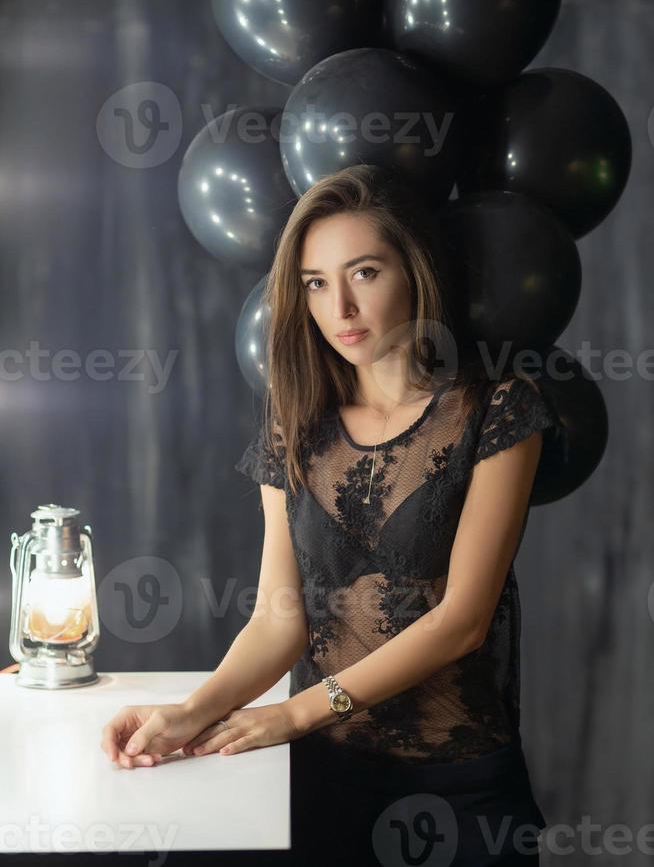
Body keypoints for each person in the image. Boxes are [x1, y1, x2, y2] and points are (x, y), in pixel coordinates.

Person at [101, 164, 565, 867]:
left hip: (461, 788)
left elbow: (462, 620)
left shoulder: (496, 410)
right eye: (317, 282)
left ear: (413, 270)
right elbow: (279, 616)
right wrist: (192, 713)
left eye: (365, 273)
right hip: (323, 780)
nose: (340, 307)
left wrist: (294, 712)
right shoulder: (296, 426)